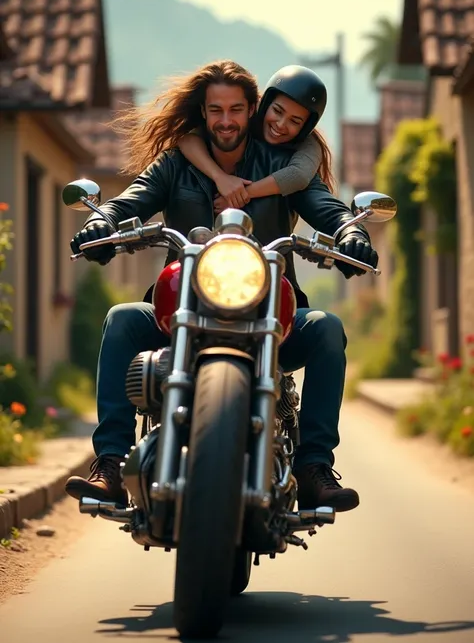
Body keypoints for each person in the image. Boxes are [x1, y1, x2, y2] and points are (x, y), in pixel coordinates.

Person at [65, 60, 378, 514]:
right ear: (204, 112)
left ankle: (314, 468)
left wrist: (352, 233)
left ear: (253, 109)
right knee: (121, 320)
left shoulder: (282, 163)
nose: (226, 120)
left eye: (236, 109)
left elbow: (324, 205)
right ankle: (111, 463)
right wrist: (102, 220)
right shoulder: (175, 163)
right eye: (216, 110)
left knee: (327, 328)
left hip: (273, 314)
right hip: (180, 312)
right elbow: (132, 198)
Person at [177, 64, 333, 212]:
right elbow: (188, 139)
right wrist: (220, 177)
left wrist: (239, 195)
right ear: (264, 104)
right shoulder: (244, 115)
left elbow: (298, 176)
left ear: (306, 127)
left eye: (295, 121)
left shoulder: (310, 144)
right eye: (277, 111)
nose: (280, 124)